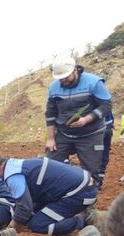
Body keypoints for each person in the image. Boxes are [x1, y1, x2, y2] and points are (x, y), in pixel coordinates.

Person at [45, 55, 113, 188]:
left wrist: (86, 119)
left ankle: (88, 197)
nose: (63, 80)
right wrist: (51, 138)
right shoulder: (53, 87)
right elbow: (50, 113)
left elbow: (106, 105)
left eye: (66, 76)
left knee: (91, 171)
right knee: (49, 165)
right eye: (60, 78)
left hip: (91, 134)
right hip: (64, 133)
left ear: (75, 69)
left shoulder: (94, 82)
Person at [0, 155, 97, 236]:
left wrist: (12, 228)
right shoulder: (17, 165)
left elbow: (24, 207)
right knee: (31, 215)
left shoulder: (12, 176)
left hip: (79, 193)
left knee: (38, 224)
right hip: (80, 185)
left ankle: (86, 220)